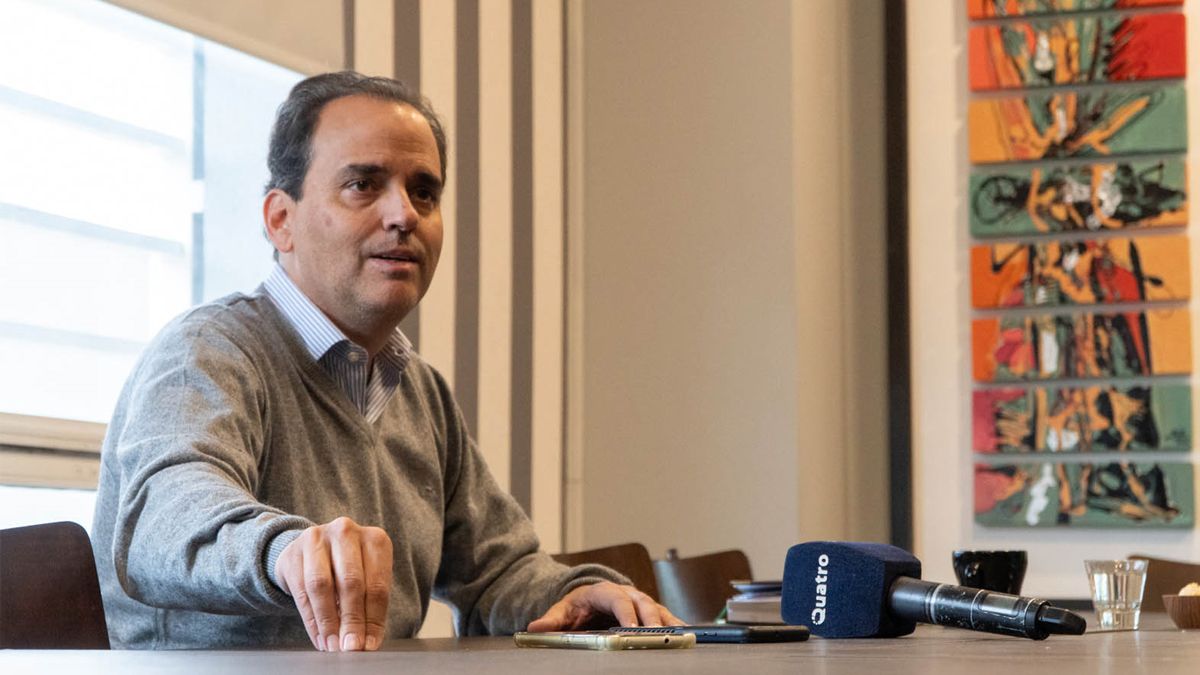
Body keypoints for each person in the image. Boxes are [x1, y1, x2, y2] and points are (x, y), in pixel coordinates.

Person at [91, 71, 679, 651]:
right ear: (281, 220)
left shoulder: (422, 392)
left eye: (424, 192)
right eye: (363, 185)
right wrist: (284, 550)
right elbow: (159, 523)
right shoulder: (207, 350)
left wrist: (571, 594)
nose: (404, 215)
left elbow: (497, 573)